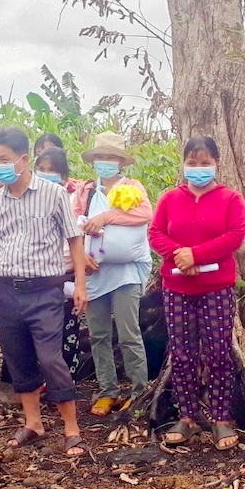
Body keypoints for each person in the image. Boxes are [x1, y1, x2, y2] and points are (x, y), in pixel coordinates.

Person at [0, 127, 90, 456]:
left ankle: (71, 428)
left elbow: (74, 239)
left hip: (46, 292)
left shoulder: (53, 194)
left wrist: (80, 284)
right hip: (8, 291)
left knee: (51, 358)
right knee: (18, 358)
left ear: (24, 160)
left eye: (5, 159)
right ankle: (33, 423)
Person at [149, 137, 245, 450]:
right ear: (184, 164)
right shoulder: (170, 199)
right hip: (177, 288)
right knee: (181, 354)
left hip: (216, 288)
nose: (198, 169)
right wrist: (180, 254)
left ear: (216, 163)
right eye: (192, 163)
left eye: (204, 162)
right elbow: (155, 233)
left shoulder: (230, 199)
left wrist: (197, 255)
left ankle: (221, 418)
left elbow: (235, 235)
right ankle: (187, 416)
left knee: (219, 353)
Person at [74, 131, 153, 417]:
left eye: (111, 157)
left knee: (129, 333)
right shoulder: (85, 192)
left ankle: (138, 390)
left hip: (126, 273)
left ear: (120, 162)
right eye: (100, 157)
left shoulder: (132, 187)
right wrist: (81, 256)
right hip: (95, 273)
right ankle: (107, 390)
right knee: (98, 334)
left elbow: (145, 214)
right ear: (94, 161)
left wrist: (107, 216)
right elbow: (73, 226)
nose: (105, 162)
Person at [35, 146, 86, 371]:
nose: (46, 174)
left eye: (52, 170)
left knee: (67, 332)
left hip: (65, 277)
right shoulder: (30, 202)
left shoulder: (70, 200)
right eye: (41, 169)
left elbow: (75, 241)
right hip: (36, 279)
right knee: (41, 334)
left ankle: (66, 384)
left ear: (64, 176)